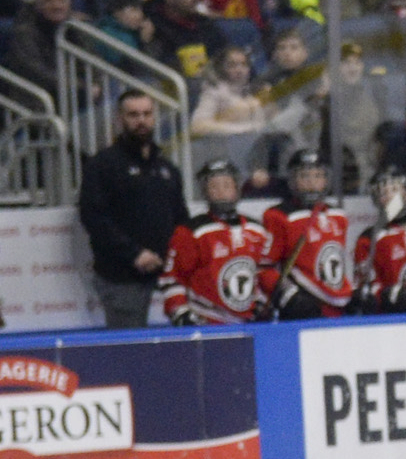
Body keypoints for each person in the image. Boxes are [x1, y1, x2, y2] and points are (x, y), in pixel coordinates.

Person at [78, 91, 189, 328]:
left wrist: (179, 258)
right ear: (119, 119)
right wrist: (134, 254)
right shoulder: (102, 165)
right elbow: (94, 217)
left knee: (182, 340)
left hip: (168, 274)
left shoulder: (167, 168)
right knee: (128, 346)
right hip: (122, 277)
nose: (141, 121)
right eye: (133, 115)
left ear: (155, 118)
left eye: (147, 114)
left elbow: (181, 217)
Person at [157, 158, 276, 326]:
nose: (221, 191)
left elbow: (264, 272)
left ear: (237, 188)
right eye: (214, 186)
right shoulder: (191, 232)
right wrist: (180, 311)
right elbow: (173, 278)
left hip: (250, 324)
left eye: (227, 185)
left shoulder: (256, 230)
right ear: (205, 191)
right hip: (207, 323)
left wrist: (264, 301)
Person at [265, 149, 355, 318]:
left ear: (326, 179)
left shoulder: (338, 216)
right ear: (293, 180)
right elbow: (265, 269)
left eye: (318, 176)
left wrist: (351, 293)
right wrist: (289, 296)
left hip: (338, 306)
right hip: (303, 307)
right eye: (304, 176)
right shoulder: (278, 216)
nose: (312, 182)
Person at [354, 168, 406, 313]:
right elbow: (367, 290)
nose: (390, 197)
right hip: (397, 317)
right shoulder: (369, 240)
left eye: (395, 189)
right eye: (383, 193)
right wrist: (392, 296)